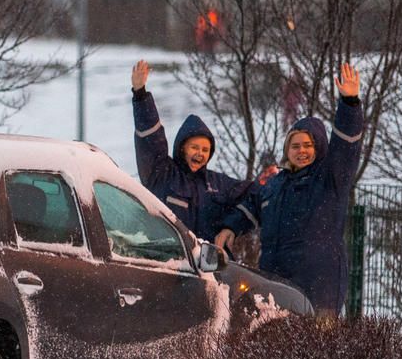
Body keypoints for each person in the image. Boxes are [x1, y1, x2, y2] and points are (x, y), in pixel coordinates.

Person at [215, 63, 363, 316]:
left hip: (319, 286)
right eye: (295, 146)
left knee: (319, 346)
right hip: (277, 284)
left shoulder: (329, 178)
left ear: (318, 148)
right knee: (281, 349)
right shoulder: (275, 184)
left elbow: (346, 146)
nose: (301, 151)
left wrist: (349, 103)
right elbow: (253, 205)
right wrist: (231, 227)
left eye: (308, 145)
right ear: (287, 150)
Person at [129, 60, 253, 242]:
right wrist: (140, 95)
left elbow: (255, 196)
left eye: (205, 149)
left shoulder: (217, 184)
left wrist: (230, 228)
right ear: (182, 148)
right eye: (194, 147)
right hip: (168, 261)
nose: (200, 153)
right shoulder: (162, 173)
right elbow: (151, 139)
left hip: (207, 267)